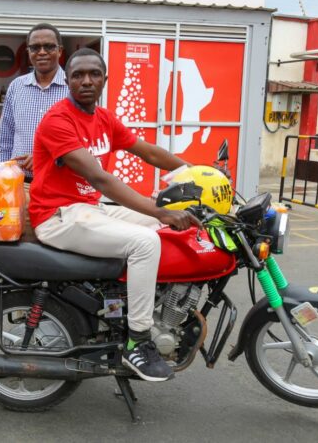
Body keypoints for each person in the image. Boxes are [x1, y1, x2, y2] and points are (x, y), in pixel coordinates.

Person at [29, 48, 201, 382]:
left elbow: (148, 151)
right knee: (147, 240)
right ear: (67, 81)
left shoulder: (104, 119)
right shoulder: (57, 120)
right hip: (56, 216)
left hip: (87, 210)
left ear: (105, 79)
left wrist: (195, 170)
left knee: (167, 230)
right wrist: (160, 211)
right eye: (78, 75)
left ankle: (138, 306)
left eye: (94, 74)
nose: (87, 81)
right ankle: (137, 340)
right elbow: (100, 178)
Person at [0, 23, 70, 178]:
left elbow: (83, 140)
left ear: (60, 50)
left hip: (59, 181)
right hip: (20, 182)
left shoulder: (72, 88)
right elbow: (5, 139)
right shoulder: (17, 86)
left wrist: (47, 158)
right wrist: (1, 175)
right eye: (35, 47)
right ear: (28, 52)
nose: (42, 52)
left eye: (49, 47)